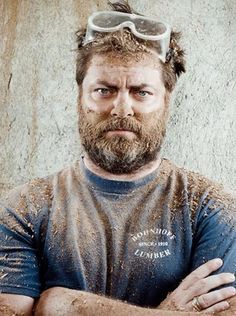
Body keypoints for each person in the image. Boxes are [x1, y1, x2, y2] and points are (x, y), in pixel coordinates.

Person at [0, 1, 235, 315]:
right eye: (104, 90)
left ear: (166, 100)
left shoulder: (211, 208)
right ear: (79, 96)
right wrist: (172, 312)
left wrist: (66, 306)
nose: (122, 109)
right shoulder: (24, 210)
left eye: (141, 92)